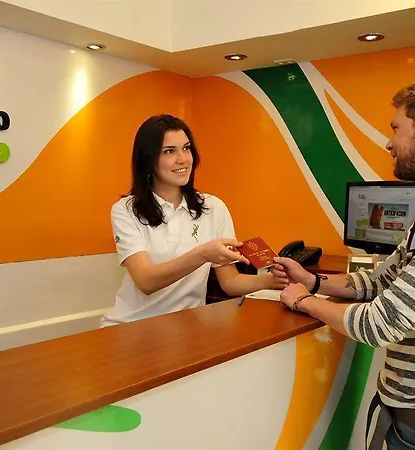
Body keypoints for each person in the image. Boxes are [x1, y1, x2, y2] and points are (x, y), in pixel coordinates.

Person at [274, 83, 415, 449]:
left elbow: (378, 323)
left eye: (396, 129)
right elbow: (378, 281)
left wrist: (302, 300)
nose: (388, 143)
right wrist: (312, 281)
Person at [101, 114, 287, 326]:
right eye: (169, 151)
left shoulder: (213, 207)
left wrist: (270, 280)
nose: (183, 159)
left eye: (186, 148)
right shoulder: (125, 210)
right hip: (130, 326)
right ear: (148, 160)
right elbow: (145, 281)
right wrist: (202, 254)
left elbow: (230, 281)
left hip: (187, 328)